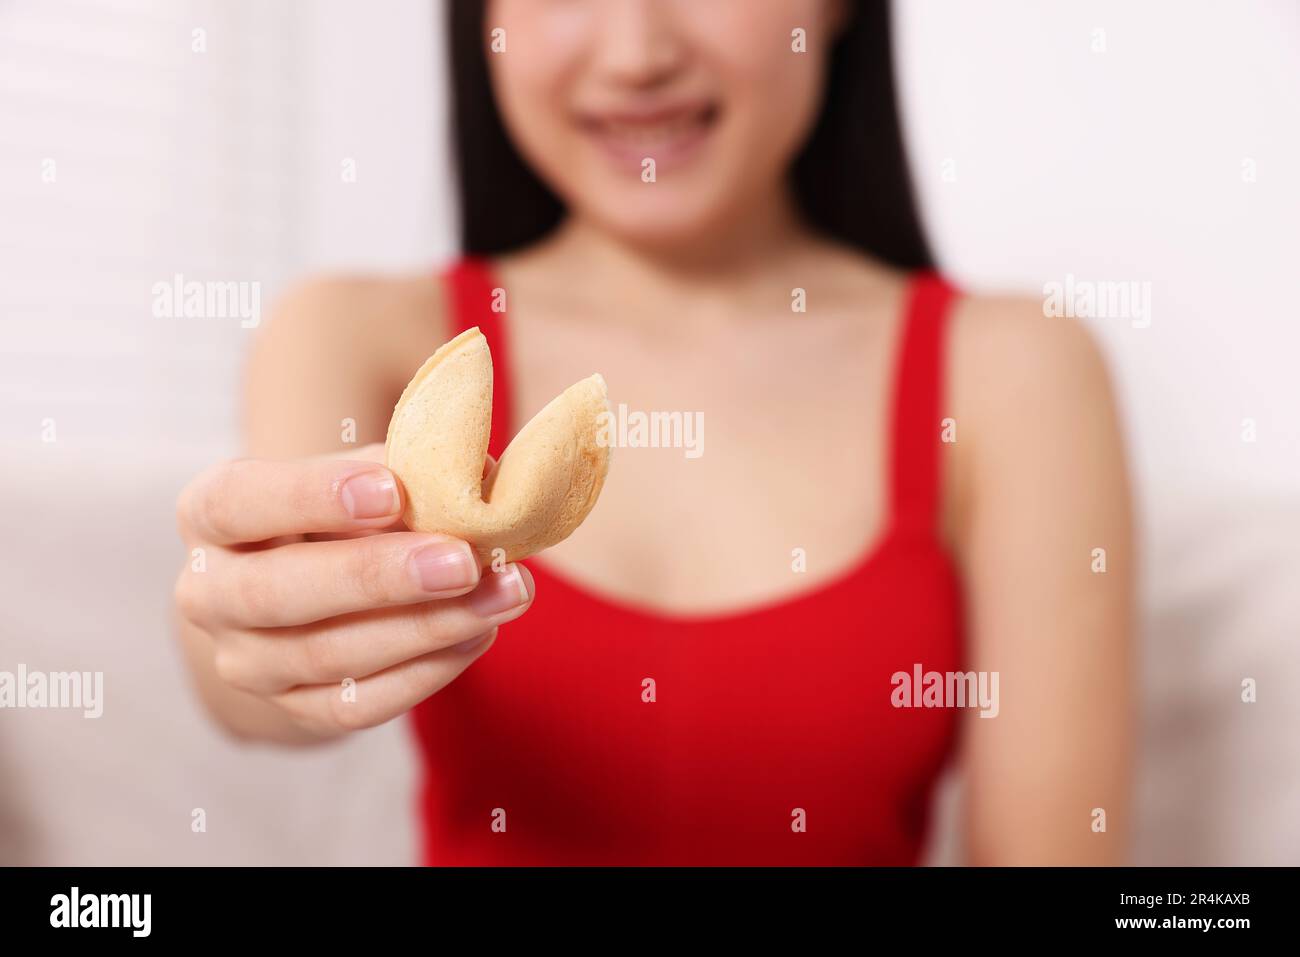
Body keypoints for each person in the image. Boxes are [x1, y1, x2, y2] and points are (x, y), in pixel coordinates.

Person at [174, 0, 1133, 865]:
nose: (637, 52)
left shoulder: (1012, 369)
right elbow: (253, 689)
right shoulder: (361, 336)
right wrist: (247, 630)